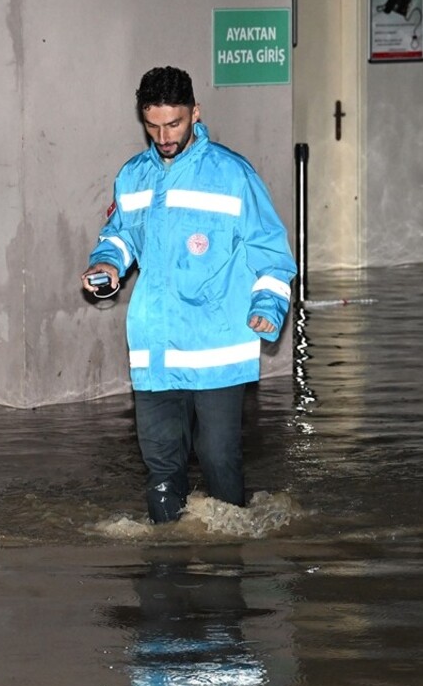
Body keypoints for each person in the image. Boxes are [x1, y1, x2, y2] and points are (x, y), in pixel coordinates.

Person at [81, 66, 296, 523]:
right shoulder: (133, 177)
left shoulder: (233, 175)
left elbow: (271, 253)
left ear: (195, 113)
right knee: (161, 469)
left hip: (216, 348)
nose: (163, 135)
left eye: (173, 123)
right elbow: (119, 235)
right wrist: (107, 263)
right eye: (152, 125)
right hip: (154, 349)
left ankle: (227, 570)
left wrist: (268, 306)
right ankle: (166, 566)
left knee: (219, 460)